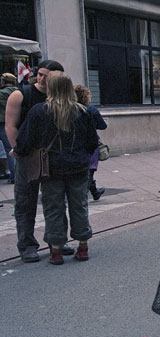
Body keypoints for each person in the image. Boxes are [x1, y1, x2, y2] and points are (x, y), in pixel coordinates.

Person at [15, 71, 99, 265]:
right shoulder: (83, 111)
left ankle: (56, 251)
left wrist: (20, 151)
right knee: (79, 206)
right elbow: (92, 142)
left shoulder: (39, 111)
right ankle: (83, 246)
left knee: (53, 208)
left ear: (51, 88)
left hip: (51, 168)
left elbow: (25, 141)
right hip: (78, 167)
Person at [5, 60, 75, 262]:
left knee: (55, 201)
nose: (42, 78)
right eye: (40, 74)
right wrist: (18, 152)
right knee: (25, 202)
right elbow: (10, 126)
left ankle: (57, 240)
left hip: (54, 157)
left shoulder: (61, 97)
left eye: (48, 75)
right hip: (28, 155)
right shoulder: (21, 94)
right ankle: (27, 245)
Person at [74, 85, 107, 200]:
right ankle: (81, 196)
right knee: (89, 170)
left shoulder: (69, 109)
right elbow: (103, 125)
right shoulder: (91, 109)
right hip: (89, 143)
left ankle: (95, 192)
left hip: (74, 144)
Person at [0, 73, 18, 181]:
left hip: (2, 123)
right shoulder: (19, 91)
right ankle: (14, 175)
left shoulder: (1, 94)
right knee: (11, 149)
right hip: (14, 122)